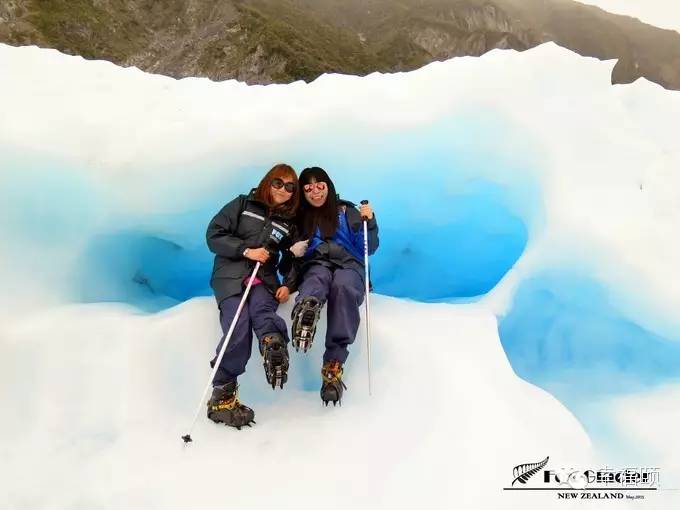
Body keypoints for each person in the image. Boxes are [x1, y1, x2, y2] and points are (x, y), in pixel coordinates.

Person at [205, 163, 300, 429]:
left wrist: (289, 285)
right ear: (268, 182)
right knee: (237, 325)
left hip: (265, 280)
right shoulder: (243, 204)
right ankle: (222, 397)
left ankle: (273, 346)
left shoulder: (287, 223)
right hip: (231, 276)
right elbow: (214, 235)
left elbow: (293, 258)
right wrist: (247, 250)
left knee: (263, 312)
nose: (283, 190)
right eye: (278, 183)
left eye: (290, 187)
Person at [291, 166, 379, 405]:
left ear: (328, 186)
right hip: (318, 262)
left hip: (349, 264)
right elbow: (294, 253)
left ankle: (334, 362)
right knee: (315, 278)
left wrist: (369, 222)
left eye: (320, 186)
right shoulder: (301, 218)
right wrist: (296, 250)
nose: (315, 192)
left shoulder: (347, 211)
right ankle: (307, 309)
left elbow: (368, 247)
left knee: (343, 287)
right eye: (308, 188)